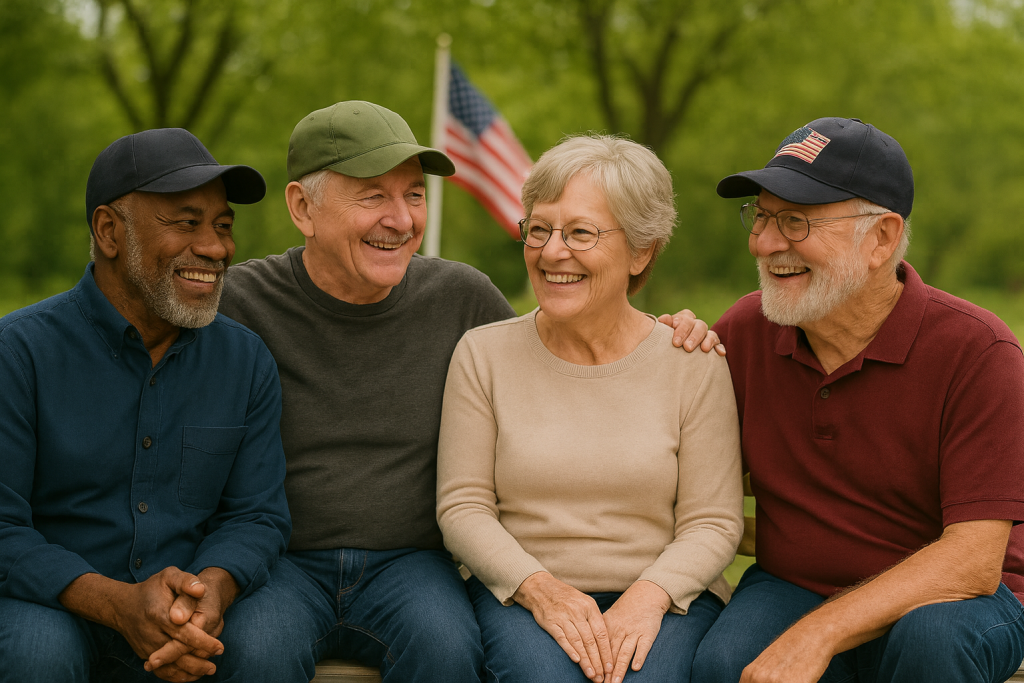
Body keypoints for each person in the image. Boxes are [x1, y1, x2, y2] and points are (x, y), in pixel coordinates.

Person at [217, 102, 721, 682]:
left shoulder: (460, 298)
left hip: (409, 566)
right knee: (253, 651)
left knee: (448, 649)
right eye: (372, 196)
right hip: (284, 564)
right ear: (303, 208)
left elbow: (562, 342)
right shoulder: (239, 305)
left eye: (413, 195)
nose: (402, 219)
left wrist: (664, 334)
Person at [686, 117, 1024, 683]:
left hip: (967, 599)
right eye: (762, 217)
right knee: (728, 664)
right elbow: (675, 464)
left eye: (795, 222)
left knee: (929, 644)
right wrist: (661, 345)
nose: (765, 243)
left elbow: (972, 562)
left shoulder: (978, 351)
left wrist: (819, 634)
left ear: (882, 239)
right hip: (796, 585)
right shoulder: (746, 330)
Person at [436, 134, 744, 683]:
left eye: (581, 232)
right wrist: (543, 591)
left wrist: (647, 597)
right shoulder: (482, 354)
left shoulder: (691, 362)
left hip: (667, 596)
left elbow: (712, 521)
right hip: (522, 595)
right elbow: (463, 508)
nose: (553, 251)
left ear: (642, 250)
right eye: (539, 229)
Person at [0, 128, 292, 683]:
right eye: (186, 223)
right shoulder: (18, 353)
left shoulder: (246, 360)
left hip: (189, 603)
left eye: (223, 226)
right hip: (51, 602)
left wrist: (209, 595)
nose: (215, 247)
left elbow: (258, 514)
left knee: (263, 645)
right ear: (109, 231)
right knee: (39, 652)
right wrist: (117, 604)